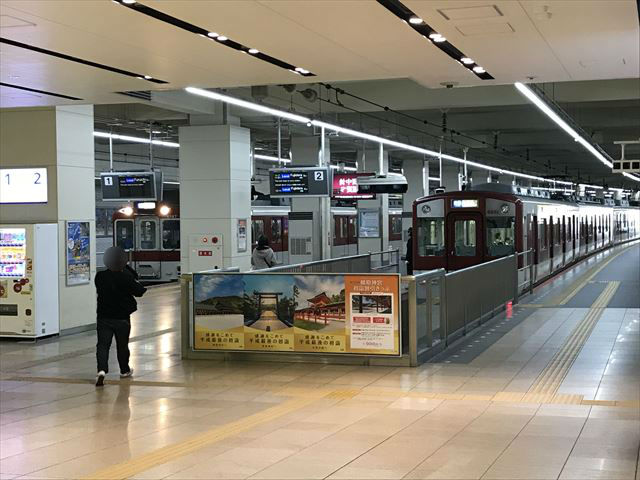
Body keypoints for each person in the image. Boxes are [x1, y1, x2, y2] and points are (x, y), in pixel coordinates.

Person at [94, 246, 146, 386]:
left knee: (103, 345)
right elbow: (140, 291)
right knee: (122, 346)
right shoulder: (126, 278)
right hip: (122, 318)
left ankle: (102, 370)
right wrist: (127, 268)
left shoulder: (100, 277)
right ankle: (124, 370)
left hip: (104, 317)